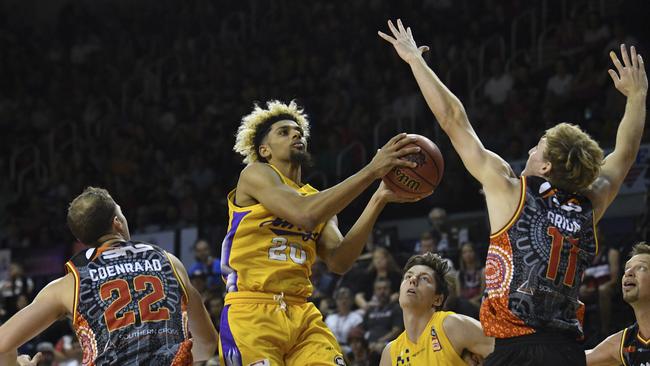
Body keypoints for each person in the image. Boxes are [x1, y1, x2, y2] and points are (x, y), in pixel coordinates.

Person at [380, 18, 647, 366]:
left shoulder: (510, 193)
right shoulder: (588, 204)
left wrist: (416, 60)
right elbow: (624, 156)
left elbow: (453, 120)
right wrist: (638, 97)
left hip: (514, 350)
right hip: (565, 352)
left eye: (538, 146)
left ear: (547, 166)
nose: (531, 152)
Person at [220, 100, 425, 365]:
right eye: (283, 132)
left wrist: (378, 199)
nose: (296, 134)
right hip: (251, 312)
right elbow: (304, 214)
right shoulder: (255, 174)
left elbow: (339, 261)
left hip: (301, 311)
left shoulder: (318, 200)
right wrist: (372, 169)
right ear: (264, 150)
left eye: (298, 131)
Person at [0, 187, 218, 365]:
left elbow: (3, 344)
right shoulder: (170, 262)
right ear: (117, 222)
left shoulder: (68, 284)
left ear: (81, 237)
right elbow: (207, 344)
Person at [379, 252, 494, 365]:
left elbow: (506, 349)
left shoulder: (451, 326)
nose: (413, 279)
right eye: (408, 276)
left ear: (437, 299)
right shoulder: (390, 353)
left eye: (424, 278)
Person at [585, 242, 650, 366]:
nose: (628, 272)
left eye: (641, 267)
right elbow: (575, 360)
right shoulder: (625, 341)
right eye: (627, 268)